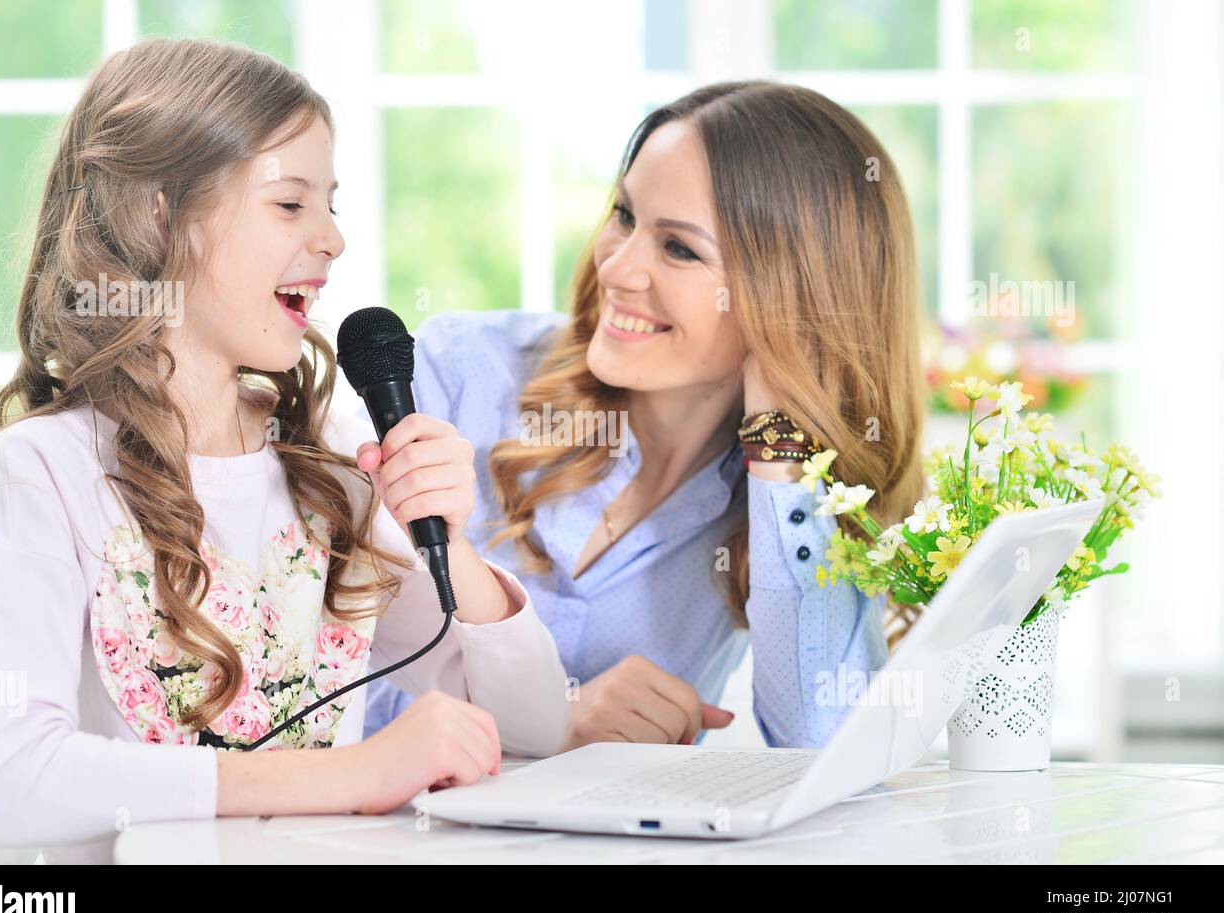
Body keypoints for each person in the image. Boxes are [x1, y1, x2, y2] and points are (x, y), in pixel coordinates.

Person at [0, 38, 568, 863]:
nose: (333, 238)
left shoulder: (324, 458)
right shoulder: (41, 471)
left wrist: (458, 547)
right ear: (159, 214)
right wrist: (350, 774)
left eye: (331, 204)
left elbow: (535, 724)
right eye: (290, 204)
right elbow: (13, 781)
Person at [362, 81, 926, 753]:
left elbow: (826, 741)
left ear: (792, 300)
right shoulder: (459, 374)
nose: (618, 267)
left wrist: (781, 440)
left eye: (680, 249)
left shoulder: (784, 498)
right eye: (626, 215)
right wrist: (550, 717)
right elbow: (335, 675)